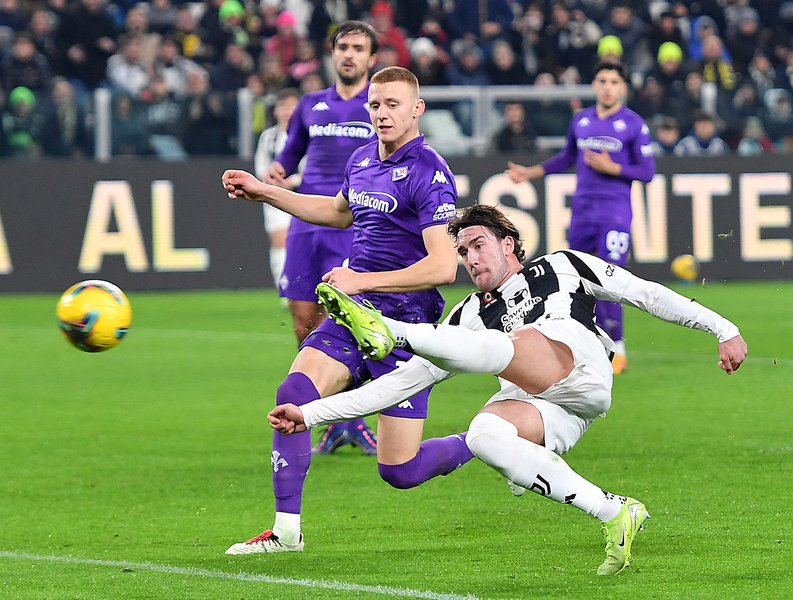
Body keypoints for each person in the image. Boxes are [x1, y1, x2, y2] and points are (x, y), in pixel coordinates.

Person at [270, 204, 748, 575]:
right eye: (462, 252)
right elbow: (399, 385)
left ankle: (392, 329)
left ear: (509, 243)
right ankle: (614, 512)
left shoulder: (562, 266)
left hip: (580, 369)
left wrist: (723, 328)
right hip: (554, 412)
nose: (471, 259)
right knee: (483, 434)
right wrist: (310, 415)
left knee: (505, 346)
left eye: (478, 245)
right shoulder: (468, 314)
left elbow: (645, 293)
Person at [221, 66, 464, 554]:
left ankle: (481, 440)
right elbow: (337, 212)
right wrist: (265, 191)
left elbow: (443, 267)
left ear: (417, 109)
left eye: (393, 104)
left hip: (407, 327)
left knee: (401, 470)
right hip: (356, 313)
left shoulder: (430, 172)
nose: (381, 113)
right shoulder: (361, 160)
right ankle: (286, 532)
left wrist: (361, 278)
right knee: (295, 392)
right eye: (375, 105)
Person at [265, 20, 380, 454]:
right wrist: (278, 170)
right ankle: (330, 418)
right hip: (305, 225)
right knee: (303, 323)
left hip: (351, 223)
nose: (349, 54)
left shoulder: (377, 106)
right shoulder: (310, 105)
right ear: (333, 54)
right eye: (343, 47)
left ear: (372, 59)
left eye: (358, 48)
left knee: (349, 322)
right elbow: (290, 154)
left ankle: (354, 417)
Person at [506, 60, 655, 375]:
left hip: (614, 212)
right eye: (602, 80)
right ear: (595, 85)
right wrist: (529, 172)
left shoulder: (633, 124)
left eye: (614, 81)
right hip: (583, 212)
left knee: (611, 277)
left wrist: (612, 168)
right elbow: (567, 157)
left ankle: (618, 347)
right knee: (578, 279)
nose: (607, 87)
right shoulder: (582, 120)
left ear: (623, 87)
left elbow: (647, 172)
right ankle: (582, 344)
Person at [253, 88, 300, 289]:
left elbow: (311, 167)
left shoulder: (305, 135)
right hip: (273, 196)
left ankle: (300, 285)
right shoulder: (268, 137)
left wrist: (292, 181)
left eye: (291, 106)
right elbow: (260, 166)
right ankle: (284, 286)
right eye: (283, 106)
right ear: (276, 110)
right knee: (279, 240)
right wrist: (269, 180)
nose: (287, 111)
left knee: (298, 243)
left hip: (301, 195)